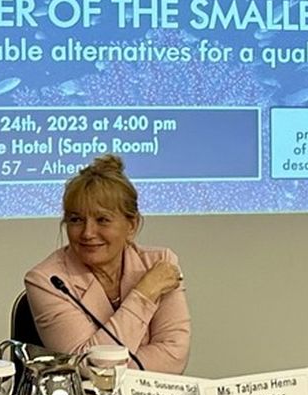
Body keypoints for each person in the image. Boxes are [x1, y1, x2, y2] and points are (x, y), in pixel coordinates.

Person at [24, 155, 190, 373]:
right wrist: (144, 293)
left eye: (102, 220)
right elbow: (85, 366)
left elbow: (173, 357)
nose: (87, 233)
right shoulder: (47, 280)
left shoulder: (160, 264)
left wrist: (110, 367)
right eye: (76, 220)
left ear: (131, 225)